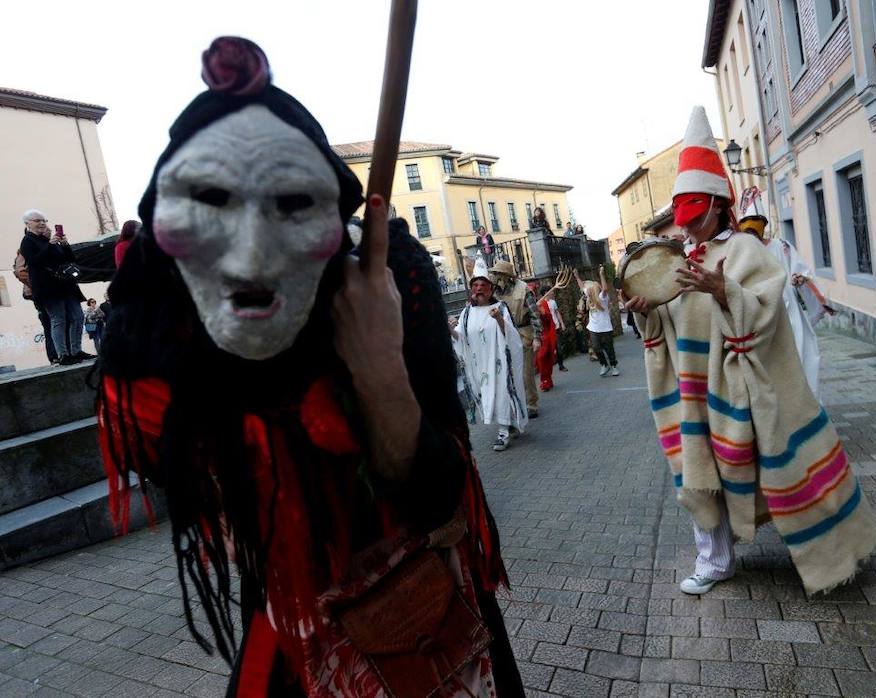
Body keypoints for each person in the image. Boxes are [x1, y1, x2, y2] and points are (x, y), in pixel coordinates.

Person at [95, 37, 523, 697]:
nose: (250, 252)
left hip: (420, 632)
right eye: (212, 203)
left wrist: (378, 366)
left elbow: (442, 498)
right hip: (287, 632)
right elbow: (178, 471)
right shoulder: (163, 323)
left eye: (291, 203)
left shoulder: (384, 277)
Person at [625, 106, 876, 596]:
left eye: (695, 217)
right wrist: (645, 310)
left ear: (719, 205)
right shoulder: (677, 260)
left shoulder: (745, 252)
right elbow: (666, 329)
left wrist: (723, 292)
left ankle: (836, 551)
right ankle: (714, 560)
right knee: (699, 471)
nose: (689, 228)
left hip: (742, 391)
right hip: (696, 390)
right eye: (683, 220)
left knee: (788, 467)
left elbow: (767, 315)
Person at [738, 204, 832, 399]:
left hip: (789, 314)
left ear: (762, 227)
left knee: (800, 356)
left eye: (755, 228)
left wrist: (799, 279)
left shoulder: (781, 247)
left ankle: (804, 408)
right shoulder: (740, 252)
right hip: (758, 316)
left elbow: (801, 272)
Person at [450, 257, 528, 452]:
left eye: (482, 285)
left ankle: (503, 432)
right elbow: (461, 338)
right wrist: (450, 329)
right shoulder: (467, 313)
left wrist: (500, 319)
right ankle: (509, 424)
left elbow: (511, 337)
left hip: (499, 362)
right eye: (475, 285)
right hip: (480, 366)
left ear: (490, 289)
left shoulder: (500, 308)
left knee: (502, 391)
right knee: (489, 394)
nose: (478, 289)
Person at [18, 209, 90, 365]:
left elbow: (70, 259)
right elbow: (34, 262)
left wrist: (64, 245)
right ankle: (63, 355)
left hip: (66, 286)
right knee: (58, 320)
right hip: (48, 288)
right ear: (28, 223)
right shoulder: (27, 241)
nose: (42, 223)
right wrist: (50, 245)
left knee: (78, 316)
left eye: (44, 220)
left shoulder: (48, 241)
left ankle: (76, 351)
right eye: (37, 220)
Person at [489, 260, 542, 418]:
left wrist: (537, 337)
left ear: (505, 276)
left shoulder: (523, 289)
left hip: (523, 333)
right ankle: (516, 403)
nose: (494, 276)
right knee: (510, 373)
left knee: (526, 373)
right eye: (494, 274)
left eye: (497, 274)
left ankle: (531, 404)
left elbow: (535, 314)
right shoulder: (495, 292)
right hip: (503, 334)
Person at [13, 247, 58, 364]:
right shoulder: (25, 252)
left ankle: (58, 354)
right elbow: (20, 273)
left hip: (46, 292)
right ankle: (54, 356)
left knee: (54, 323)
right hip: (39, 294)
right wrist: (36, 285)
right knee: (49, 324)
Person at [575, 269, 619, 376]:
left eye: (589, 288)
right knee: (596, 347)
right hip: (593, 328)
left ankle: (613, 366)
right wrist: (576, 276)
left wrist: (602, 275)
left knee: (609, 348)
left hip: (605, 328)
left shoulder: (602, 298)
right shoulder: (588, 297)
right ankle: (604, 364)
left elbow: (605, 288)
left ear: (594, 289)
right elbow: (581, 286)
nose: (586, 289)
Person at [531, 283, 557, 391]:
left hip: (545, 334)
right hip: (534, 335)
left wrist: (542, 312)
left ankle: (548, 379)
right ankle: (544, 381)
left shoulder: (542, 304)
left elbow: (548, 320)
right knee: (540, 359)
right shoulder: (528, 306)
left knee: (547, 358)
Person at [545, 287, 568, 371]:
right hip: (548, 329)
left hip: (556, 327)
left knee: (559, 348)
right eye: (550, 291)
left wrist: (562, 323)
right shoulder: (543, 303)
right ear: (546, 292)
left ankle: (561, 365)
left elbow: (557, 312)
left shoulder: (553, 302)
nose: (552, 293)